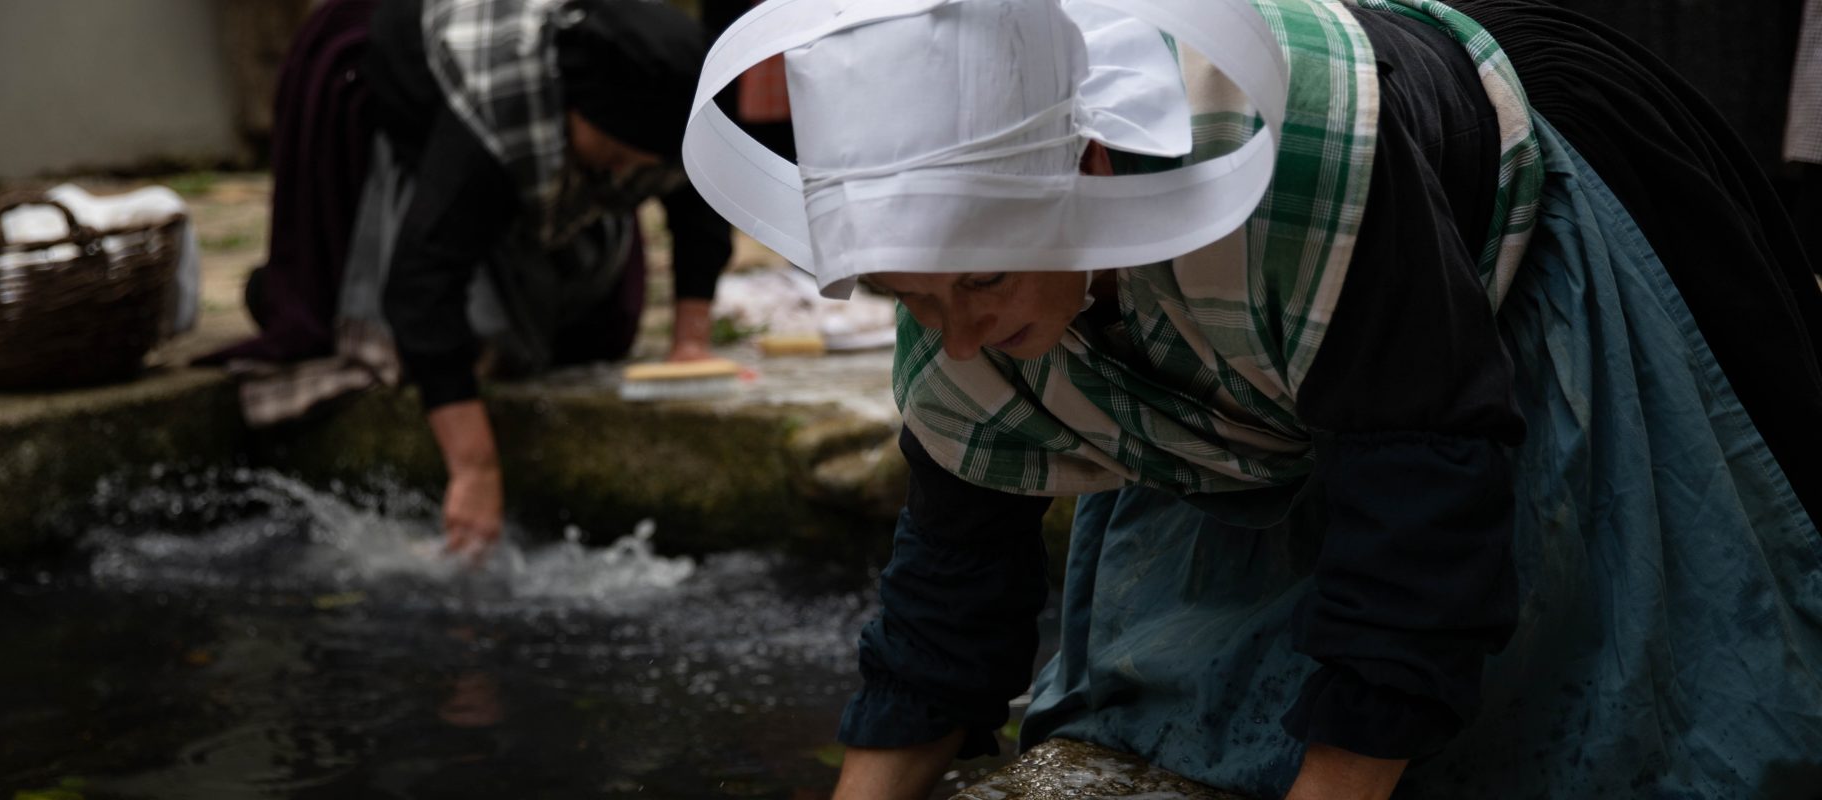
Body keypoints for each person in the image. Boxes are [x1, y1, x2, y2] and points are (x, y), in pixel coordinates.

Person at [681, 0, 1822, 798]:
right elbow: (950, 579)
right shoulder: (960, 298)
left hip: (1500, 204)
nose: (964, 334)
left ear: (1086, 173)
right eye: (909, 297)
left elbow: (1418, 503)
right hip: (1242, 313)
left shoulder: (1305, 176)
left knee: (1614, 708)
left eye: (980, 280)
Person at [204, 0, 733, 560]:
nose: (628, 175)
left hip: (533, 107)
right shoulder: (499, 104)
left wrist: (691, 345)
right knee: (419, 330)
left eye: (641, 164)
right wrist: (473, 467)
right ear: (571, 109)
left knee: (594, 327)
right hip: (394, 62)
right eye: (619, 155)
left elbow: (700, 209)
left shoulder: (668, 93)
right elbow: (425, 276)